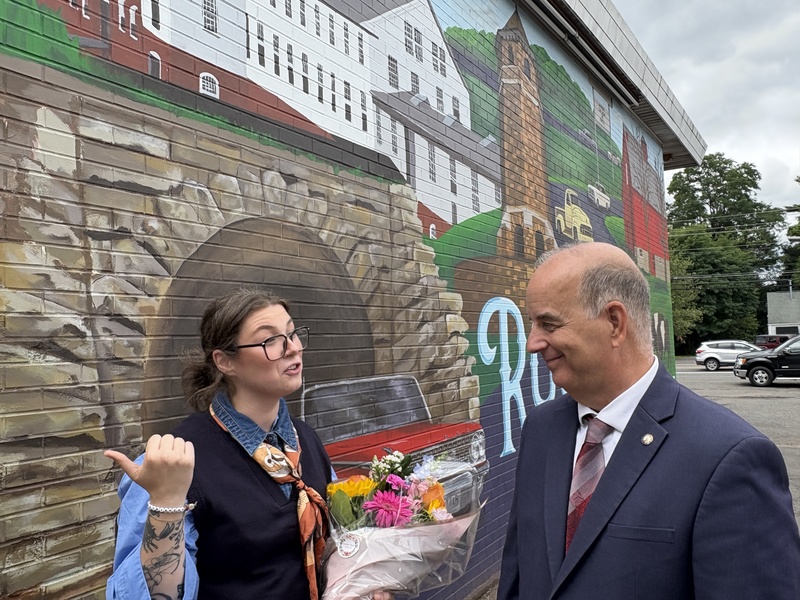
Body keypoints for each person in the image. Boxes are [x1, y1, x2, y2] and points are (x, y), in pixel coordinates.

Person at [498, 242, 800, 600]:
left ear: (614, 322)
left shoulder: (727, 457)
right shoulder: (541, 429)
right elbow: (519, 572)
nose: (533, 342)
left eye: (548, 323)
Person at [105, 288, 392, 600]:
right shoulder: (175, 461)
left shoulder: (306, 439)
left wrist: (363, 583)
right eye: (271, 341)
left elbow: (339, 540)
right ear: (225, 361)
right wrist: (166, 502)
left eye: (293, 333)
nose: (293, 349)